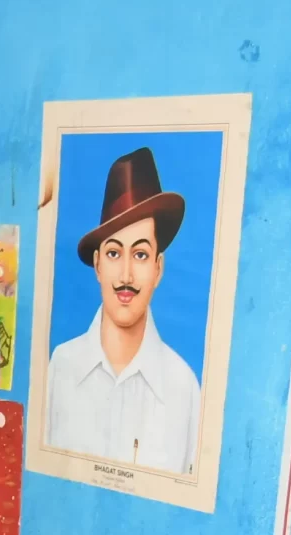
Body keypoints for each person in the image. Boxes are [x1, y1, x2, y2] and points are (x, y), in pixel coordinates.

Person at [43, 147, 203, 474]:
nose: (127, 275)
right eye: (115, 253)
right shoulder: (60, 366)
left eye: (141, 255)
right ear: (98, 264)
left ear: (158, 268)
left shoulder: (183, 387)